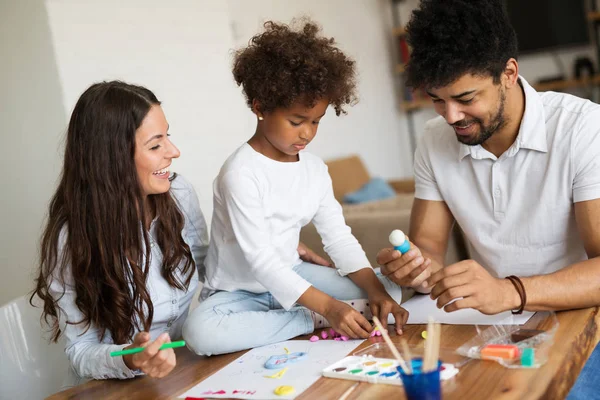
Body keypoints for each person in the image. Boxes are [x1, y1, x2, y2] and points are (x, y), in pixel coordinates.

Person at [183, 19, 409, 356]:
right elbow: (261, 262)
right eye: (296, 121)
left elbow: (338, 238)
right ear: (260, 107)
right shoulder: (240, 174)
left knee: (392, 289)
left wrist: (378, 293)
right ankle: (309, 319)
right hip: (239, 293)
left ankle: (303, 313)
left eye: (316, 121)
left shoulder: (315, 170)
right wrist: (329, 309)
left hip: (295, 274)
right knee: (201, 334)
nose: (307, 133)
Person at [376, 0, 600, 316]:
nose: (451, 116)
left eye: (465, 98)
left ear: (508, 73)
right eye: (437, 100)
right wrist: (415, 269)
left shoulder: (583, 128)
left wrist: (510, 291)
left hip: (582, 318)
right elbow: (428, 251)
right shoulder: (433, 140)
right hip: (496, 323)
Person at [31, 81, 209, 386]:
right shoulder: (71, 240)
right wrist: (131, 356)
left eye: (168, 137)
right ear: (113, 159)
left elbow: (213, 270)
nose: (174, 152)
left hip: (183, 373)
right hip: (118, 388)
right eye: (155, 145)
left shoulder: (179, 194)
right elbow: (80, 350)